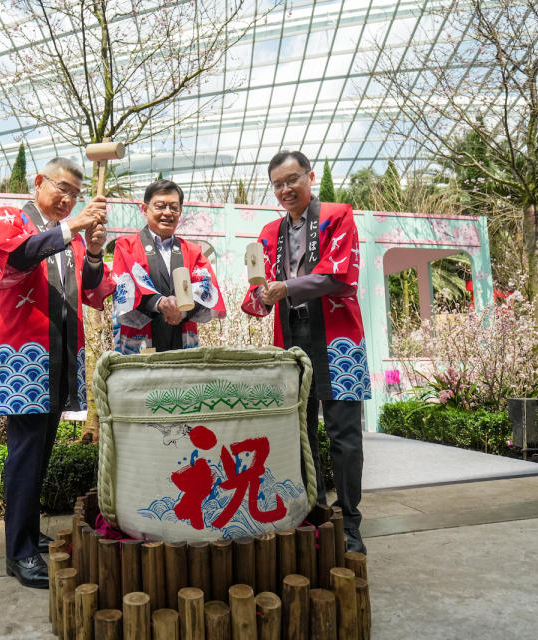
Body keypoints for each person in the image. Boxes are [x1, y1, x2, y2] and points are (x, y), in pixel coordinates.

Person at [0, 157, 115, 588]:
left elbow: (95, 293)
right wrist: (75, 227)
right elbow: (17, 257)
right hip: (23, 353)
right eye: (62, 188)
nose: (68, 198)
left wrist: (93, 251)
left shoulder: (72, 239)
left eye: (76, 194)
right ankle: (17, 552)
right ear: (38, 182)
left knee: (41, 449)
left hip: (60, 352)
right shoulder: (11, 218)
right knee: (24, 450)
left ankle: (26, 533)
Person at [240, 150, 371, 554]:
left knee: (344, 434)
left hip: (339, 337)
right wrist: (258, 297)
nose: (285, 190)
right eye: (277, 184)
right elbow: (258, 287)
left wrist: (286, 288)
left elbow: (339, 273)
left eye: (292, 180)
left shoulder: (338, 214)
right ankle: (312, 513)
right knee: (301, 431)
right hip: (290, 337)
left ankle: (349, 522)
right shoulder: (267, 232)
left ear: (310, 177)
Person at [110, 179, 226, 353]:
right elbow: (126, 284)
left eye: (174, 207)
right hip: (140, 340)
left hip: (183, 336)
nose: (167, 212)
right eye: (160, 206)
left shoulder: (193, 251)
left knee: (181, 378)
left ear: (180, 211)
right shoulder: (126, 245)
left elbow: (206, 286)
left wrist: (182, 309)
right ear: (144, 209)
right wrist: (159, 303)